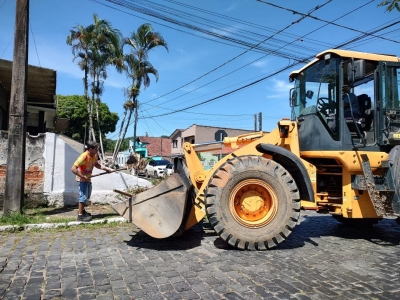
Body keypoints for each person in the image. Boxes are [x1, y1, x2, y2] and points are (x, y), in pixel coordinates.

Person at [71, 142, 112, 222]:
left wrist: (106, 169)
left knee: (87, 197)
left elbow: (96, 164)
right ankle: (80, 216)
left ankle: (82, 211)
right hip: (82, 180)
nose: (97, 150)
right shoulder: (83, 156)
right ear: (90, 149)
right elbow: (73, 169)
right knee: (83, 197)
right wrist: (83, 176)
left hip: (88, 179)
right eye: (96, 149)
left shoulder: (94, 156)